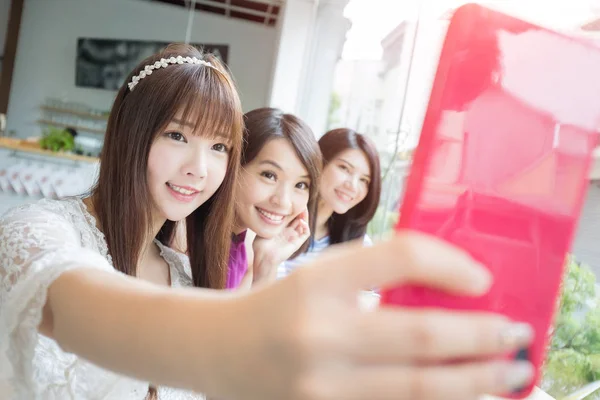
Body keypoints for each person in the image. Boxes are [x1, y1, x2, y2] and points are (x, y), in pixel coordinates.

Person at [0, 44, 535, 400]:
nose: (199, 168)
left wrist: (264, 274)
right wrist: (247, 330)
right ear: (129, 131)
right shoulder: (36, 230)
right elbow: (78, 312)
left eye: (219, 147)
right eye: (177, 136)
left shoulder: (184, 271)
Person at [231, 107, 322, 289]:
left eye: (300, 185)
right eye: (269, 175)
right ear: (234, 166)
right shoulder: (183, 244)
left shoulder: (246, 248)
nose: (284, 201)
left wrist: (268, 263)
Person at [279, 128, 381, 278]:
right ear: (319, 161)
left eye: (363, 180)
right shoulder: (278, 221)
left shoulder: (358, 243)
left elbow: (377, 295)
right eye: (344, 168)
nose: (352, 186)